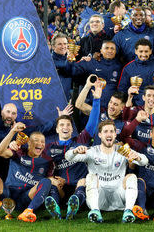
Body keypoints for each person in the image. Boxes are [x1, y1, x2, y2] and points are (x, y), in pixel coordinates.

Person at [65, 120, 148, 223]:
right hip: (99, 198)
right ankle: (95, 211)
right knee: (90, 177)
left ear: (115, 134)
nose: (109, 134)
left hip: (119, 197)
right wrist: (75, 151)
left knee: (131, 176)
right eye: (105, 131)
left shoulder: (122, 150)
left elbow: (145, 161)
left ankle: (128, 211)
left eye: (111, 131)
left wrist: (138, 158)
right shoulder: (92, 151)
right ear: (100, 135)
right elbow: (68, 157)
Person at [43, 80, 101, 220]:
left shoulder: (81, 140)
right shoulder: (48, 147)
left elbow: (93, 122)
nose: (65, 127)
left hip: (79, 185)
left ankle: (72, 207)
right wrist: (51, 179)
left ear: (72, 128)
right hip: (61, 186)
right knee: (52, 184)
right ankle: (55, 209)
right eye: (62, 124)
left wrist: (97, 100)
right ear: (57, 129)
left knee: (84, 181)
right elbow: (40, 167)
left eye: (68, 124)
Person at [0, 124, 62, 222]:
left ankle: (28, 211)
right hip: (8, 194)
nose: (40, 143)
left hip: (26, 198)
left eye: (42, 141)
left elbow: (48, 181)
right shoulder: (18, 151)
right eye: (36, 140)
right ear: (29, 143)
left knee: (47, 181)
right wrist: (13, 131)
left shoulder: (48, 161)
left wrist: (57, 182)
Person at [76, 77, 126, 146]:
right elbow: (79, 105)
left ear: (122, 107)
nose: (111, 106)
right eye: (110, 102)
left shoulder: (124, 122)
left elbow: (125, 144)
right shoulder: (99, 112)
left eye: (115, 104)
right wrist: (87, 86)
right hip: (93, 154)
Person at [72, 40, 123, 108]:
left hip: (110, 109)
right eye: (106, 48)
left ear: (116, 51)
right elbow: (72, 69)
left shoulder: (120, 67)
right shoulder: (92, 62)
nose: (110, 51)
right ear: (101, 51)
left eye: (112, 48)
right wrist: (71, 59)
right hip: (91, 106)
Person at [117, 39, 154, 106]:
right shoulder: (128, 68)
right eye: (141, 51)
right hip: (137, 108)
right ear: (136, 51)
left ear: (150, 51)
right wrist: (129, 93)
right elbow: (122, 90)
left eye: (146, 51)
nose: (143, 54)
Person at [51, 32, 73, 101]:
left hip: (67, 99)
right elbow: (65, 67)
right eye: (60, 44)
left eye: (65, 44)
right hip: (52, 100)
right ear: (53, 46)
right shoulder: (49, 61)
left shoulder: (69, 59)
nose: (63, 46)